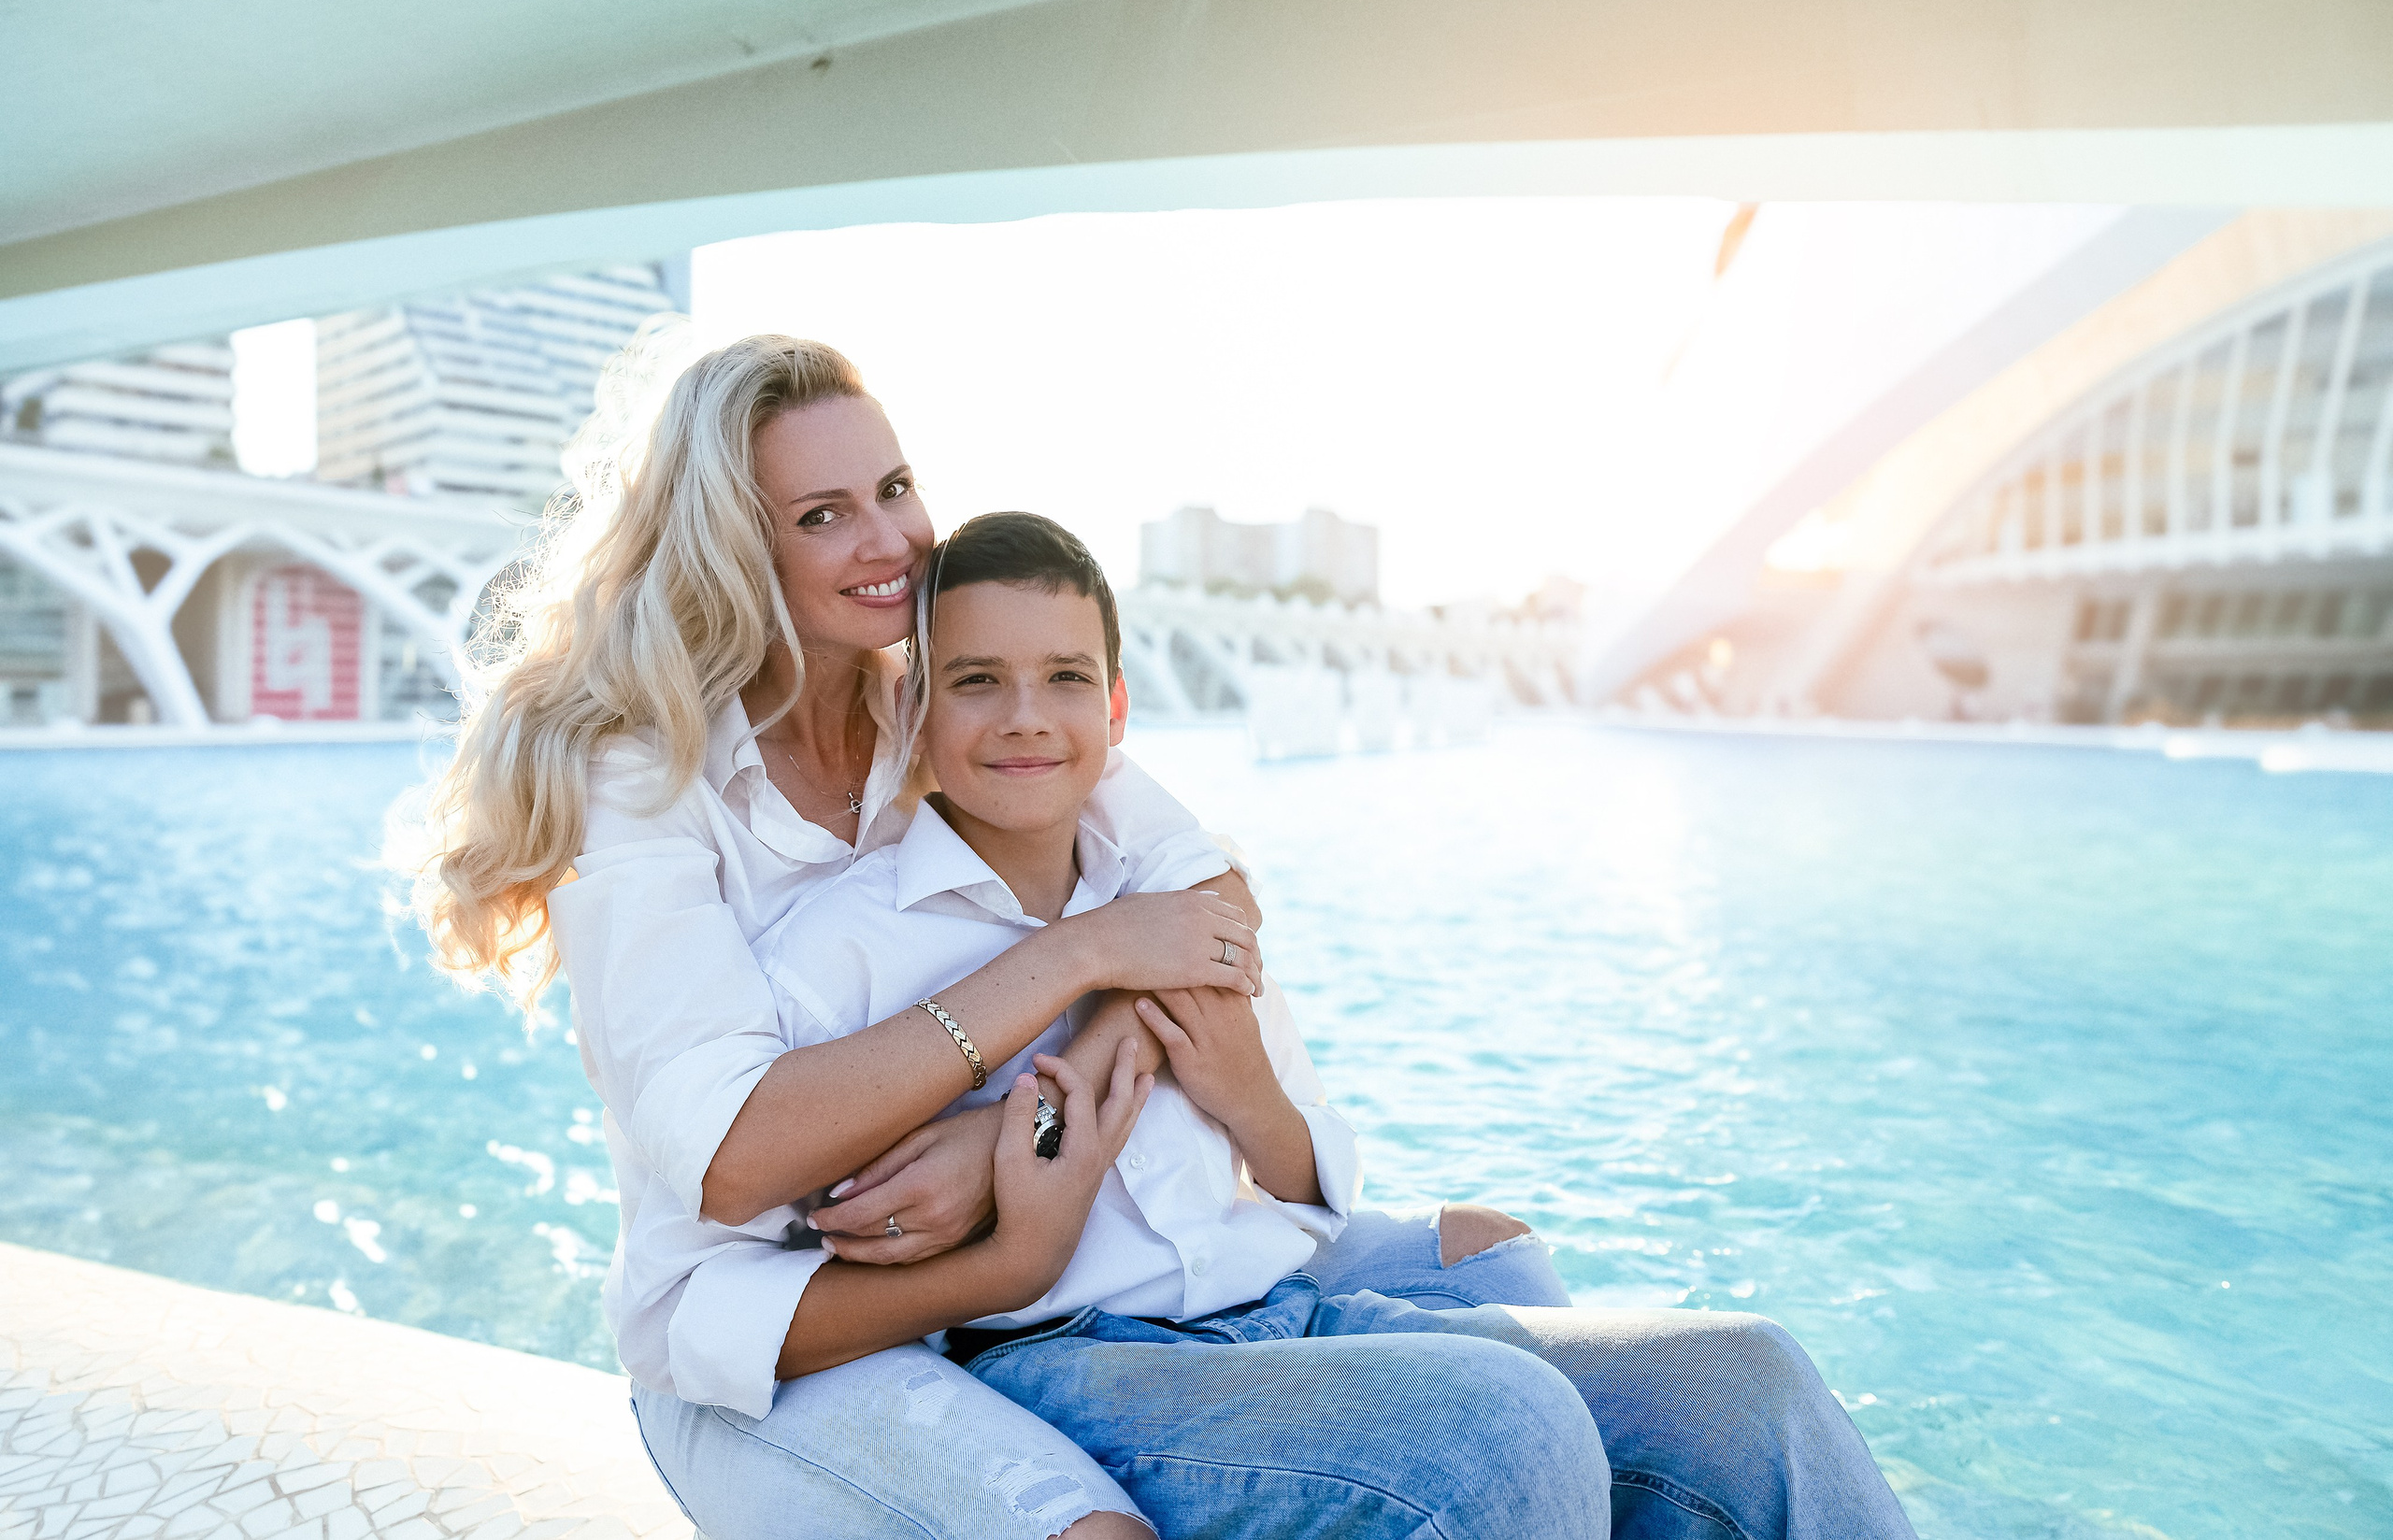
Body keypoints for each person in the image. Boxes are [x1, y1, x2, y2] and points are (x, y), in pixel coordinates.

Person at [408, 332, 1552, 1539]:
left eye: (896, 489)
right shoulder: (644, 776)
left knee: (1506, 1269)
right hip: (774, 1317)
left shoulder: (947, 693)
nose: (891, 539)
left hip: (1039, 1236)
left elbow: (1208, 904)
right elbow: (735, 1155)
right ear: (740, 547)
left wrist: (1019, 1126)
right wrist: (1073, 955)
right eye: (824, 513)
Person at [728, 509, 1920, 1540]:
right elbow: (781, 1262)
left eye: (1066, 677)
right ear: (917, 712)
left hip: (1285, 1312)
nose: (1026, 717)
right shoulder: (845, 954)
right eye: (977, 680)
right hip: (1068, 1363)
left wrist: (1244, 1086)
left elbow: (1307, 1188)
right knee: (1496, 1427)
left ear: (1119, 704)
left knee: (1744, 1381)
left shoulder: (1182, 901)